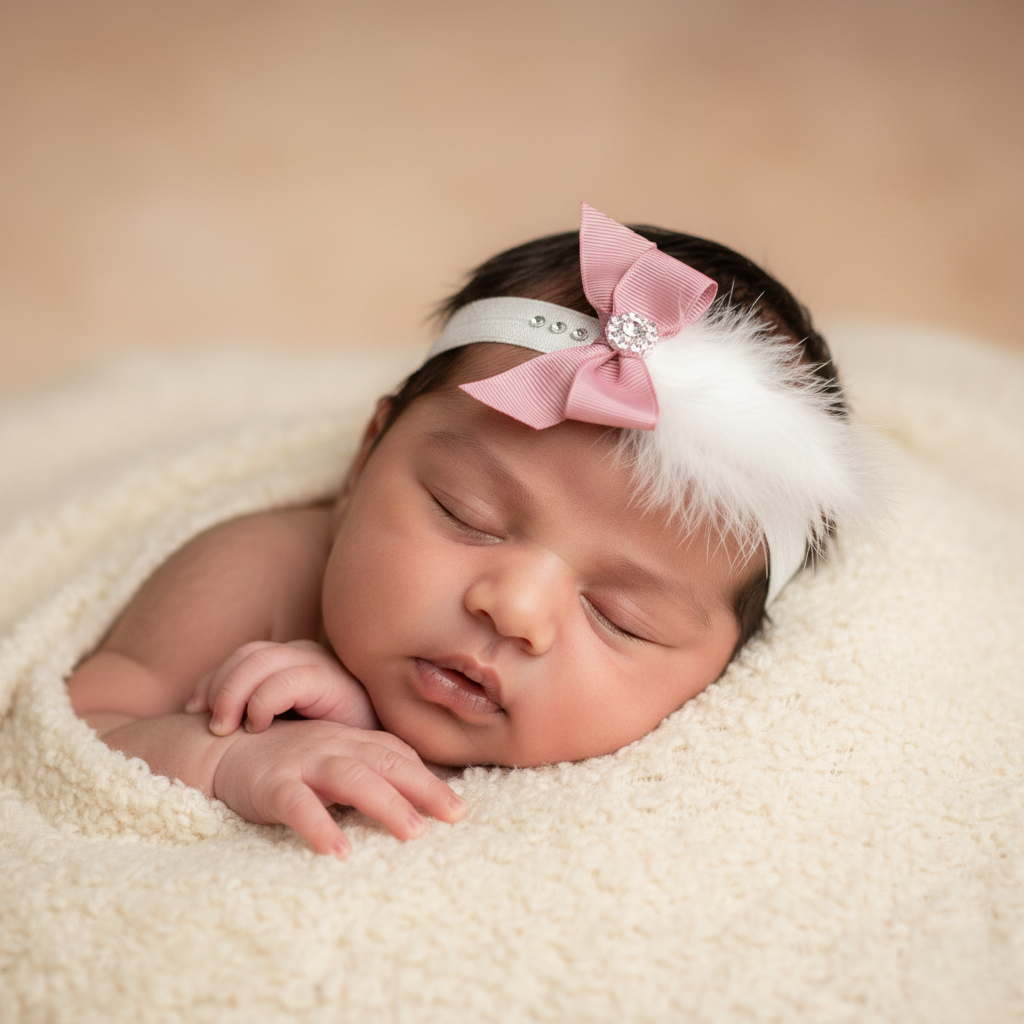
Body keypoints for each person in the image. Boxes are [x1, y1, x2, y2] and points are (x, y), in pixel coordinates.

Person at [67, 204, 877, 859]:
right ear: (366, 459)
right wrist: (226, 755)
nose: (515, 609)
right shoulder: (259, 569)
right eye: (466, 513)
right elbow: (78, 735)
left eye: (622, 617)